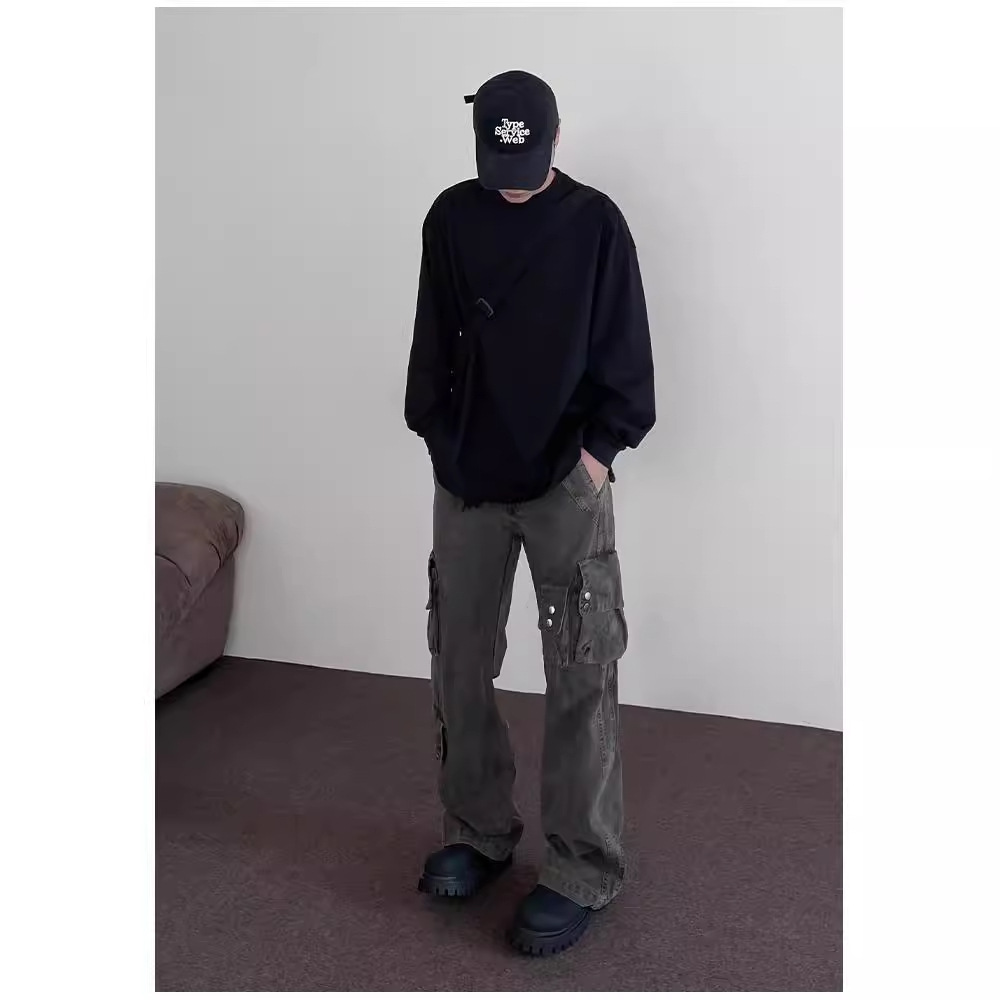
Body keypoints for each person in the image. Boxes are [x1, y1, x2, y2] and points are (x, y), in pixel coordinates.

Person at [404, 69, 655, 956]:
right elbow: (431, 339)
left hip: (564, 485)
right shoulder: (451, 217)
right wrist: (438, 436)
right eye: (496, 162)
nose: (511, 181)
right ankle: (477, 831)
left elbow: (628, 357)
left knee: (580, 674)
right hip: (468, 484)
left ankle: (582, 866)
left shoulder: (596, 224)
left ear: (555, 139)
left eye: (528, 160)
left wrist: (594, 459)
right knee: (459, 660)